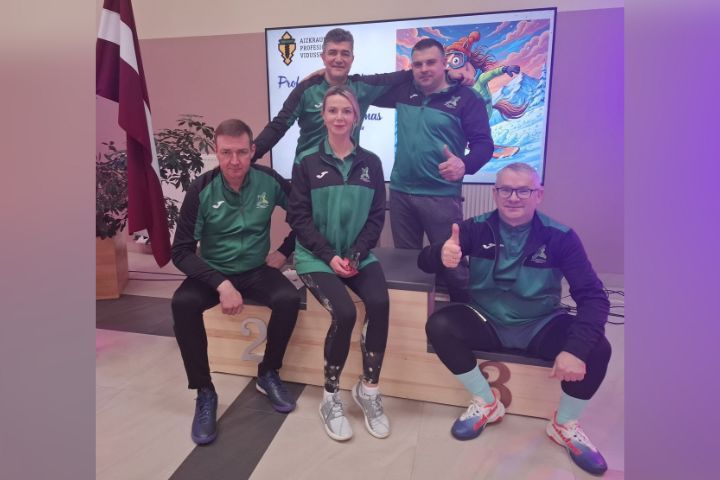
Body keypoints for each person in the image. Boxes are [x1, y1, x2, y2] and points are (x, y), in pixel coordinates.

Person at [419, 162, 611, 475]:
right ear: (495, 194)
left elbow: (593, 296)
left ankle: (564, 425)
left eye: (523, 190)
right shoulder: (475, 228)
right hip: (487, 319)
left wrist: (575, 350)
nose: (513, 197)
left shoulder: (561, 237)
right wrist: (439, 254)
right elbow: (424, 262)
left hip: (540, 323)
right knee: (439, 325)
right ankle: (487, 403)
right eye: (506, 189)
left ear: (539, 195)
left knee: (597, 348)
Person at [171, 119, 301, 445]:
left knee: (287, 299)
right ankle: (204, 391)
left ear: (252, 150)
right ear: (216, 151)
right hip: (213, 272)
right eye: (226, 152)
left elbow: (305, 215)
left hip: (255, 268)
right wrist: (221, 284)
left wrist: (284, 251)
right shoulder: (201, 189)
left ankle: (268, 372)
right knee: (182, 304)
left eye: (241, 152)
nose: (234, 161)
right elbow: (181, 251)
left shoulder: (269, 181)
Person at [287, 86, 390, 442]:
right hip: (315, 256)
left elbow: (376, 217)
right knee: (344, 313)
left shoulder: (371, 163)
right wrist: (329, 254)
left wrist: (357, 253)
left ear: (356, 117)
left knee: (380, 303)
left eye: (346, 111)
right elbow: (299, 218)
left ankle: (369, 390)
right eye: (333, 110)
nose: (339, 117)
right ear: (323, 116)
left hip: (357, 254)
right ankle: (330, 397)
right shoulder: (306, 162)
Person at [373, 38, 494, 303]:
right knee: (408, 263)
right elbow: (369, 87)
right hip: (401, 193)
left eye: (430, 62)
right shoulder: (403, 91)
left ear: (444, 63)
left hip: (441, 196)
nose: (424, 69)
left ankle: (464, 313)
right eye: (417, 64)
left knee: (453, 264)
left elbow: (485, 145)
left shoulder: (466, 98)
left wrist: (464, 165)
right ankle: (412, 318)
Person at [252, 27, 413, 164]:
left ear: (352, 59)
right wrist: (250, 156)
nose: (338, 59)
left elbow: (402, 77)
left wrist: (426, 69)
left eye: (345, 53)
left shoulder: (361, 86)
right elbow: (278, 126)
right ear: (323, 57)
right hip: (308, 173)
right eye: (332, 53)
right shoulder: (306, 89)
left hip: (347, 172)